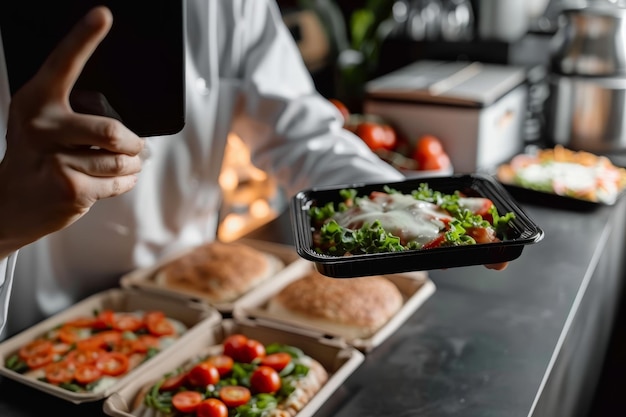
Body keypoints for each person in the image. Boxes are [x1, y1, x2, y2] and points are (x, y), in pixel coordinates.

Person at [0, 0, 405, 337]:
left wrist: (408, 211)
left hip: (192, 307)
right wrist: (7, 221)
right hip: (28, 332)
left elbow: (301, 135)